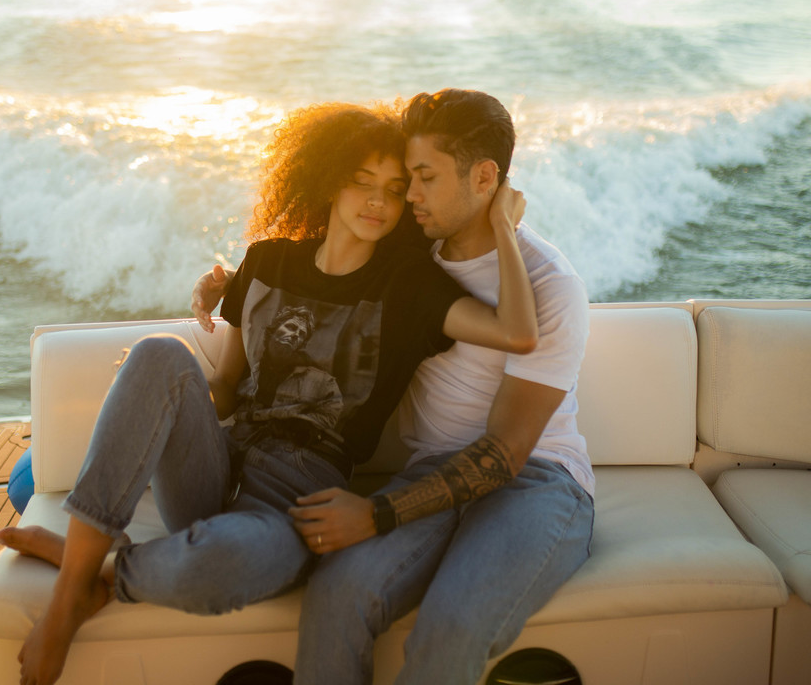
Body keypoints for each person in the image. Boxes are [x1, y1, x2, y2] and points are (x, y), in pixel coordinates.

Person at [0, 100, 541, 685]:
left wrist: (505, 230)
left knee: (224, 564)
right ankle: (68, 603)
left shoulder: (408, 287)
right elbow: (227, 390)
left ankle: (94, 570)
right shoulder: (266, 261)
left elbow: (516, 332)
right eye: (361, 183)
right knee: (159, 352)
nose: (379, 202)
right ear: (328, 181)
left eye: (395, 186)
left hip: (294, 502)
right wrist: (162, 391)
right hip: (215, 465)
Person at [192, 89, 594, 684]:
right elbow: (318, 256)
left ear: (485, 178)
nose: (408, 195)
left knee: (452, 623)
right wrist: (225, 281)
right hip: (429, 469)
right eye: (409, 177)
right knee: (335, 595)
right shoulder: (413, 250)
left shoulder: (549, 285)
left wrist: (377, 514)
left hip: (536, 481)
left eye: (424, 177)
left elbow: (504, 455)